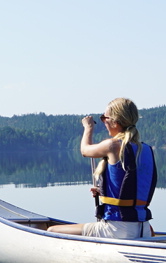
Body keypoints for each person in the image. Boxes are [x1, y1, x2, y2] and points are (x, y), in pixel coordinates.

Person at [48, 97, 157, 239]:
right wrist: (104, 191)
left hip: (117, 228)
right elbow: (132, 185)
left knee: (51, 231)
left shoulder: (113, 145)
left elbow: (85, 150)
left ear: (115, 121)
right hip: (144, 228)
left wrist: (88, 128)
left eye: (104, 118)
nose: (104, 122)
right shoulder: (147, 149)